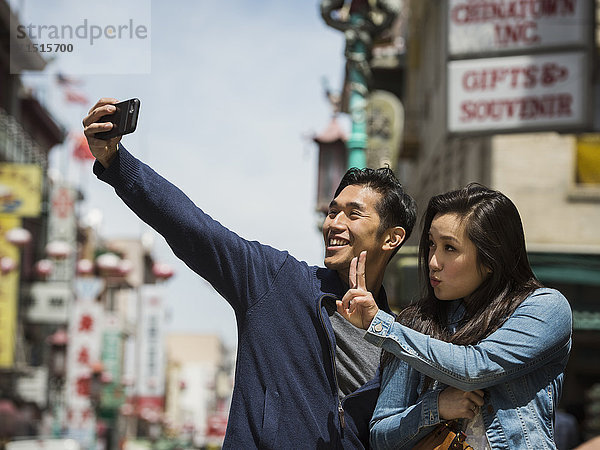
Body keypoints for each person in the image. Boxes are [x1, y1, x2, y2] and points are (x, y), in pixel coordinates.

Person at [82, 98, 417, 448]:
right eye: (333, 211)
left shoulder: (400, 340)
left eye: (353, 214)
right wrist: (116, 163)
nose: (334, 223)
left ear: (392, 238)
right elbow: (194, 229)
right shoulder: (278, 281)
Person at [337, 184, 572, 449]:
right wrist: (435, 407)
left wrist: (382, 326)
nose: (433, 261)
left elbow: (476, 368)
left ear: (490, 260)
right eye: (431, 245)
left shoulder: (545, 308)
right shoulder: (418, 323)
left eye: (450, 248)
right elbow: (381, 436)